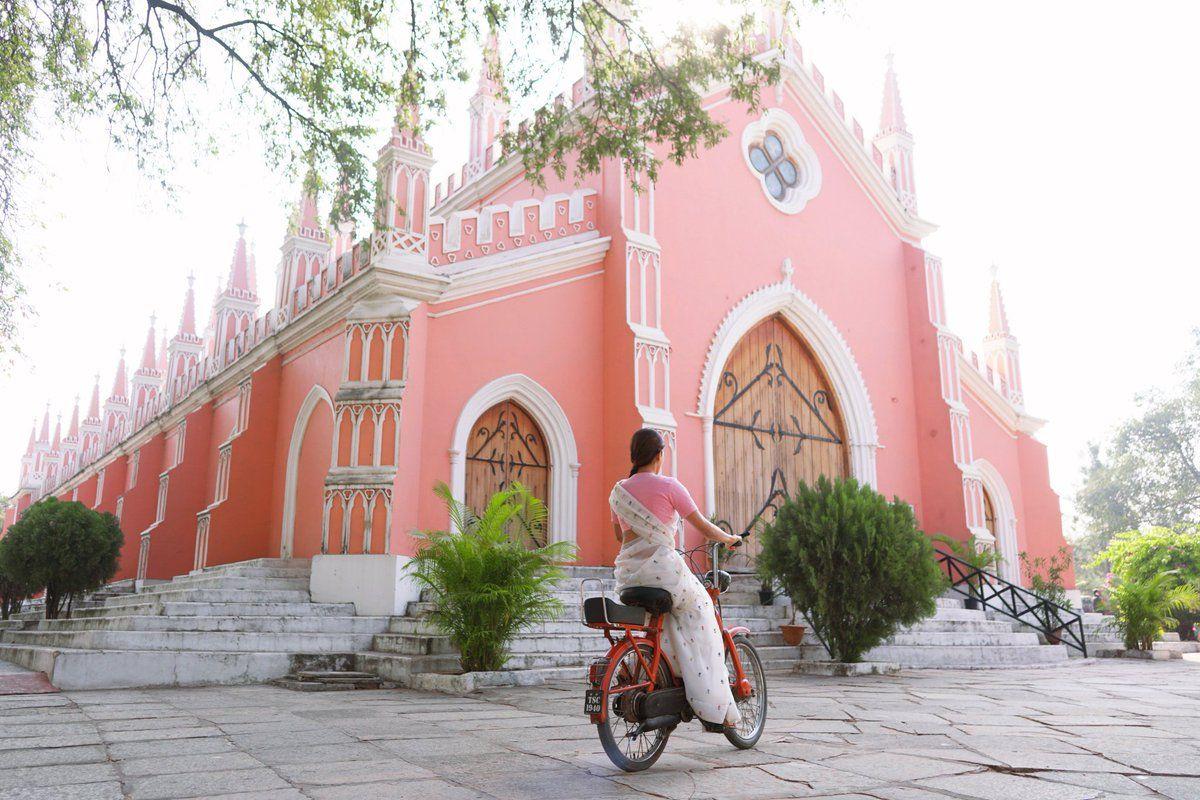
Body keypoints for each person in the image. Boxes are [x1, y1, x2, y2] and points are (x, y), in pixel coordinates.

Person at [608, 428, 743, 731]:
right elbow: (705, 527)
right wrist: (730, 538)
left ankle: (669, 676)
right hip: (664, 572)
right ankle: (710, 700)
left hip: (629, 577)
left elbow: (619, 535)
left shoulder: (618, 492)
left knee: (668, 618)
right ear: (658, 455)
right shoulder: (669, 486)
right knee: (703, 611)